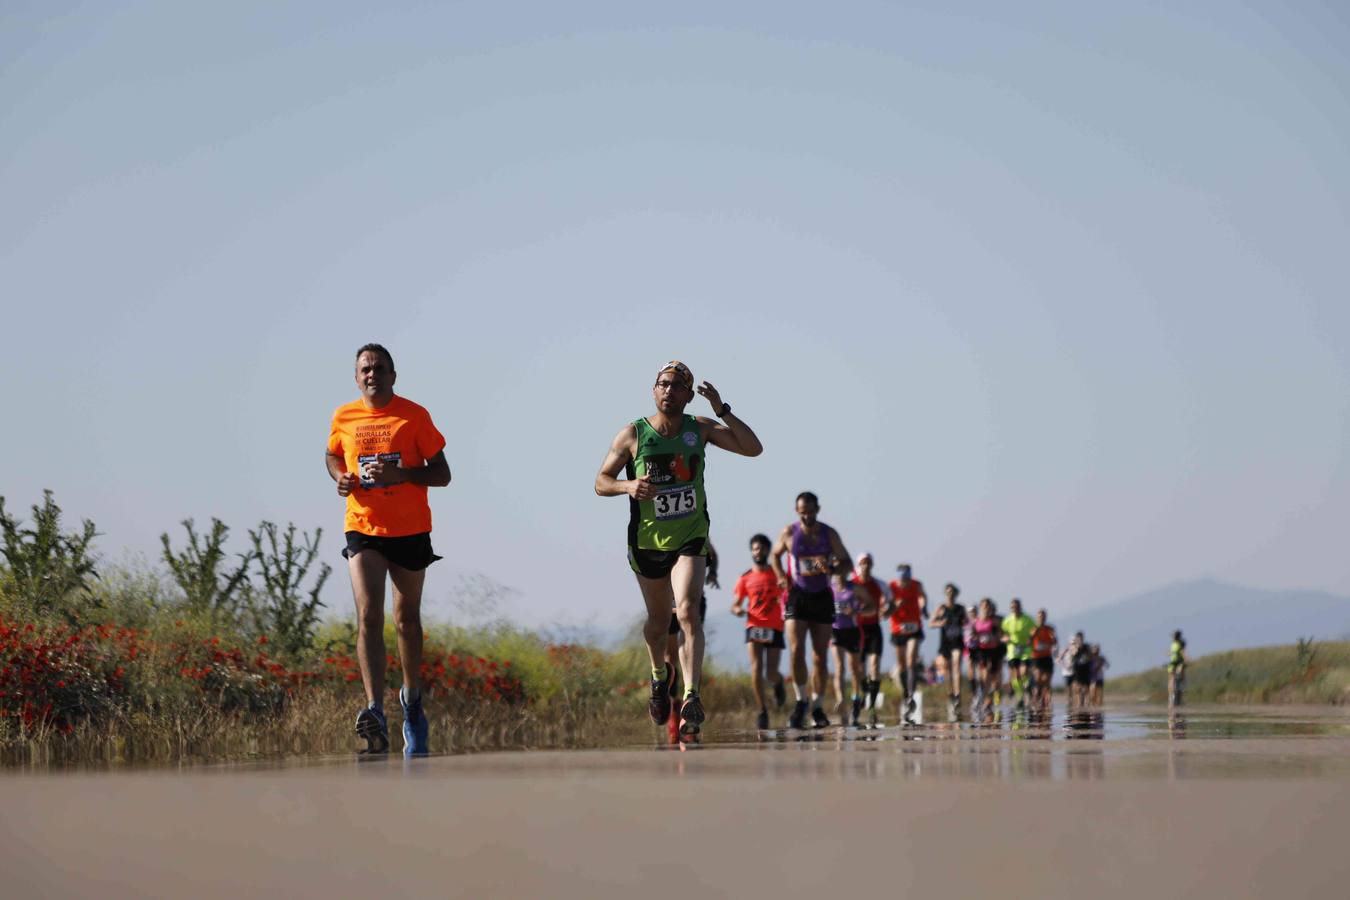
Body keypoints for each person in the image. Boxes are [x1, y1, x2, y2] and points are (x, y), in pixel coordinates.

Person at [595, 361, 763, 737]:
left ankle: (691, 695)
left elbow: (753, 449)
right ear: (654, 391)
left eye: (677, 385)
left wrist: (722, 409)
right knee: (658, 625)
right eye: (663, 384)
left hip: (690, 537)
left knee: (687, 611)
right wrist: (628, 487)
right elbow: (600, 481)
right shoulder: (632, 434)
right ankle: (659, 678)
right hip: (647, 541)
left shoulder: (699, 429)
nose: (669, 390)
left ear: (688, 396)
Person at [326, 344, 451, 755]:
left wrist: (402, 473)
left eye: (379, 368)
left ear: (393, 376)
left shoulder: (414, 416)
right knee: (367, 614)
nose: (372, 375)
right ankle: (374, 709)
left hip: (410, 530)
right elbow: (332, 455)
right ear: (356, 376)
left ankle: (411, 702)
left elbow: (443, 473)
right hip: (363, 526)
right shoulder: (344, 416)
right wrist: (341, 477)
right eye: (365, 369)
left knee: (407, 620)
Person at [770, 492, 859, 729]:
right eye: (802, 511)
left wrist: (832, 567)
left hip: (822, 596)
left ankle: (817, 705)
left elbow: (848, 563)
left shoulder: (829, 534)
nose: (807, 515)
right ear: (796, 511)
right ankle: (801, 700)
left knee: (820, 657)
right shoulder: (789, 533)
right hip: (797, 596)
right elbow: (775, 556)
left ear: (818, 509)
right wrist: (780, 576)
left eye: (810, 511)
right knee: (796, 650)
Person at [732, 534, 787, 729]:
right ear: (751, 551)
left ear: (768, 550)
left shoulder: (777, 575)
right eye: (755, 549)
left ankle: (778, 683)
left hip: (774, 627)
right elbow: (736, 604)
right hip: (754, 626)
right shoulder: (745, 577)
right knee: (756, 668)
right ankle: (762, 710)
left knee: (770, 673)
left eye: (762, 548)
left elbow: (787, 594)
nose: (758, 552)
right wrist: (737, 610)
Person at [885, 564, 928, 723]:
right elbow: (885, 608)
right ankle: (905, 695)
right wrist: (895, 606)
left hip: (914, 628)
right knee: (901, 665)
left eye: (907, 579)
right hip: (897, 630)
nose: (905, 582)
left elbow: (923, 596)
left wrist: (923, 606)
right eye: (903, 580)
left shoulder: (917, 585)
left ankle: (911, 695)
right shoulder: (891, 587)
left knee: (911, 660)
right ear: (898, 578)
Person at [851, 553, 890, 724]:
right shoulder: (851, 583)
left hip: (874, 628)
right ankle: (864, 692)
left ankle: (872, 705)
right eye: (862, 563)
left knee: (874, 666)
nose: (865, 566)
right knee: (859, 669)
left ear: (872, 565)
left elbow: (892, 601)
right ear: (858, 566)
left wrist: (887, 612)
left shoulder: (879, 584)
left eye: (868, 563)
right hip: (856, 629)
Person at [829, 572, 865, 726]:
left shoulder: (854, 588)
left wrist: (856, 611)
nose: (839, 575)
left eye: (841, 571)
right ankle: (841, 699)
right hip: (835, 631)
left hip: (851, 630)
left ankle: (856, 698)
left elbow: (869, 604)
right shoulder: (829, 588)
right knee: (839, 667)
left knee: (854, 669)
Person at [929, 583, 968, 719]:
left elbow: (968, 623)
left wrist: (966, 626)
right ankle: (951, 693)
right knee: (948, 672)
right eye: (948, 592)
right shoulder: (941, 608)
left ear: (956, 594)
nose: (950, 594)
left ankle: (957, 695)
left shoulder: (961, 609)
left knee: (956, 665)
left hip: (957, 642)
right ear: (945, 594)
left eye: (952, 592)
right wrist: (940, 623)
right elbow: (931, 623)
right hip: (945, 643)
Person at [1000, 598, 1036, 713]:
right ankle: (1020, 696)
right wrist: (1004, 638)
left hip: (1025, 648)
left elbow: (1034, 629)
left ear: (1020, 607)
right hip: (1012, 649)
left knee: (1024, 671)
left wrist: (1031, 638)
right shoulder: (1007, 620)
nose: (1014, 609)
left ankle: (1027, 684)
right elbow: (1001, 633)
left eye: (1016, 607)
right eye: (1012, 607)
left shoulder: (1027, 619)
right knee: (1015, 674)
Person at [970, 598, 1001, 719]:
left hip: (993, 650)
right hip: (981, 650)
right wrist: (975, 638)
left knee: (991, 675)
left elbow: (999, 635)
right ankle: (981, 695)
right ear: (981, 608)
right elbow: (972, 635)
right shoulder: (976, 621)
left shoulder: (994, 622)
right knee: (983, 674)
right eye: (983, 606)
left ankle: (986, 697)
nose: (986, 608)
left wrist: (995, 638)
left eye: (987, 606)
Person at [1029, 609, 1058, 713]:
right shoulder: (1033, 629)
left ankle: (1044, 700)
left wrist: (1053, 639)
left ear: (1045, 617)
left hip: (1047, 656)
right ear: (1037, 618)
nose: (1041, 618)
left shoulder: (1050, 629)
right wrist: (1033, 635)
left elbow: (1055, 642)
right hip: (1036, 657)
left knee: (1046, 680)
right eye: (1040, 616)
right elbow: (1028, 642)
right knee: (1038, 678)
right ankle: (1036, 698)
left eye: (1043, 616)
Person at [1168, 630, 1188, 708]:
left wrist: (1186, 659)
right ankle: (1172, 698)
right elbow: (1173, 652)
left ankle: (1179, 698)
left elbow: (1183, 653)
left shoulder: (1180, 643)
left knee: (1180, 679)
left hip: (1179, 663)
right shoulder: (1173, 644)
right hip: (1173, 663)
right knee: (1172, 679)